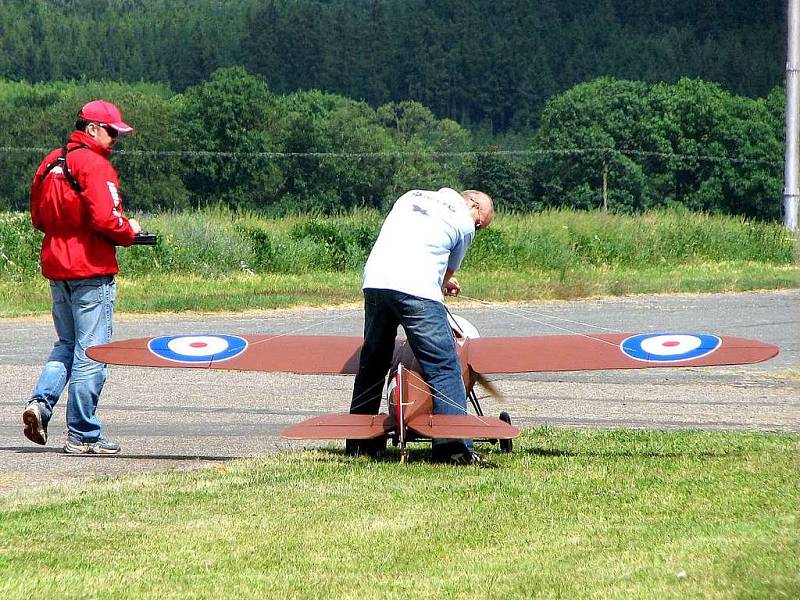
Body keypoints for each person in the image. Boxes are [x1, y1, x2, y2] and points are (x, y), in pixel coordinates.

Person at [22, 100, 142, 455]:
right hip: (91, 268)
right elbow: (108, 220)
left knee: (66, 344)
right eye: (111, 133)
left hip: (57, 268)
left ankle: (40, 405)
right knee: (92, 351)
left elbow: (38, 219)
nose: (115, 140)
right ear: (91, 129)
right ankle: (83, 434)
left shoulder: (50, 162)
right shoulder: (95, 165)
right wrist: (130, 232)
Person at [347, 187, 494, 464]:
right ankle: (453, 449)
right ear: (473, 205)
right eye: (481, 221)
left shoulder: (411, 196)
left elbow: (410, 242)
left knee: (374, 363)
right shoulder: (463, 222)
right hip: (417, 290)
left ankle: (360, 445)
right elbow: (447, 273)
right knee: (444, 365)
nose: (477, 227)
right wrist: (445, 281)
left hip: (375, 282)